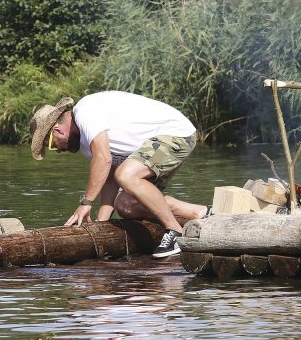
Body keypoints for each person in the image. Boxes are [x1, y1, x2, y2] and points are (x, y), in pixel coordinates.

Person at [29, 91, 209, 258]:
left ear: (57, 131)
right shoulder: (86, 144)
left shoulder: (85, 111)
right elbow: (109, 178)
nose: (58, 150)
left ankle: (175, 232)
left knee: (127, 176)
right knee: (125, 206)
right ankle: (201, 213)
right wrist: (100, 226)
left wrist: (86, 203)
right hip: (156, 145)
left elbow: (104, 159)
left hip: (176, 134)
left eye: (52, 145)